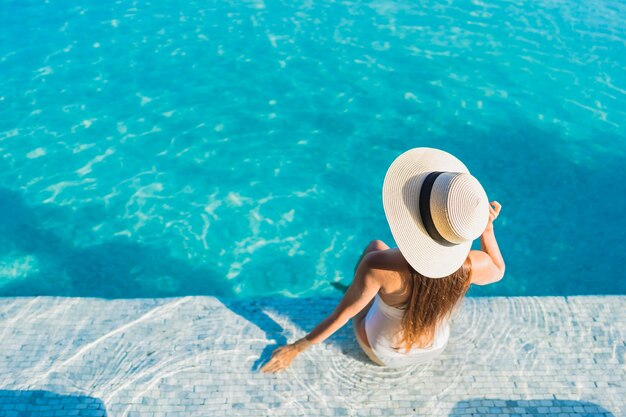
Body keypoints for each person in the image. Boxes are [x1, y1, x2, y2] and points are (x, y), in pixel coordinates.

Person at [260, 147, 505, 372]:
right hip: (434, 348)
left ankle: (357, 289)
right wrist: (487, 230)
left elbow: (340, 317)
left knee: (375, 247)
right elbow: (498, 269)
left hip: (383, 353)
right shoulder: (470, 266)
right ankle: (363, 291)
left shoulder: (378, 266)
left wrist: (296, 348)